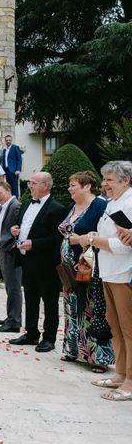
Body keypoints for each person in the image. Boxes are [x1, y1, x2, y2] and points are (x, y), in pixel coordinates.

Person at [77, 161, 132, 401]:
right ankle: (120, 373)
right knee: (116, 327)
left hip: (124, 273)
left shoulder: (130, 203)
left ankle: (131, 380)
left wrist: (91, 239)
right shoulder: (111, 204)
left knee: (129, 329)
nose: (105, 184)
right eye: (105, 179)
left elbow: (123, 246)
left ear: (125, 180)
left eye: (110, 179)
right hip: (107, 271)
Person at [58, 172, 113, 372]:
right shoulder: (73, 206)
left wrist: (79, 239)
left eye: (73, 185)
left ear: (87, 186)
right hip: (69, 268)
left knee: (92, 308)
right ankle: (73, 350)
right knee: (72, 308)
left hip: (88, 266)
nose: (70, 189)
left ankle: (98, 357)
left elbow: (104, 233)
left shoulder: (99, 205)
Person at [9, 172, 66, 353]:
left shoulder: (57, 208)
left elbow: (57, 239)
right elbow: (23, 226)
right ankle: (31, 333)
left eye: (33, 183)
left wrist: (34, 243)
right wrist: (15, 230)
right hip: (26, 259)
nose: (30, 186)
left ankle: (49, 338)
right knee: (31, 298)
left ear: (45, 185)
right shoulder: (26, 203)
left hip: (46, 262)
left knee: (49, 301)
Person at [0, 182, 23, 333]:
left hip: (11, 250)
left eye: (0, 194)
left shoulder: (15, 206)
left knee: (14, 287)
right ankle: (11, 317)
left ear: (8, 190)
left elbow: (19, 229)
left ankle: (14, 321)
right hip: (3, 249)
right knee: (10, 286)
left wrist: (11, 245)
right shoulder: (3, 206)